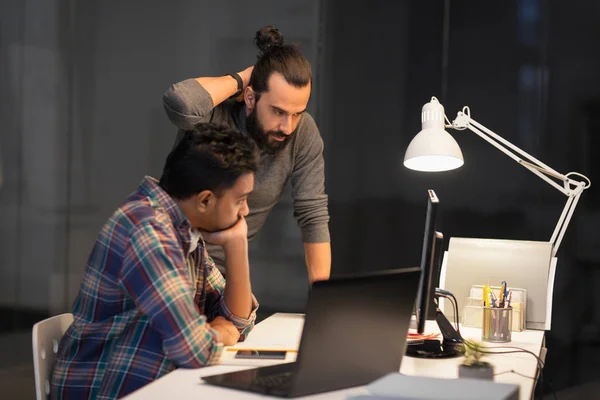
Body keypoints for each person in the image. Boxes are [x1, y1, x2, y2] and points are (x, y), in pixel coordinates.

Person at [51, 123, 260, 399]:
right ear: (205, 200)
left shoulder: (183, 229)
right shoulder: (150, 233)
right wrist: (219, 332)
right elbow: (197, 351)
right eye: (241, 200)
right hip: (108, 391)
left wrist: (237, 244)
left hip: (155, 386)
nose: (245, 211)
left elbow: (238, 321)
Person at [162, 25, 331, 284]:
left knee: (242, 322)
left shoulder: (303, 133)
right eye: (278, 111)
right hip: (168, 262)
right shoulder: (214, 114)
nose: (288, 127)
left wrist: (324, 304)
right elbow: (181, 104)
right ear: (250, 98)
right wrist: (243, 78)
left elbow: (313, 214)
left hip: (224, 276)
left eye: (297, 113)